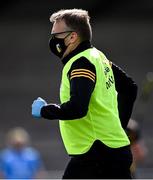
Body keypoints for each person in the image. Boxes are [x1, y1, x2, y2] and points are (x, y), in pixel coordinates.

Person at [32, 9, 138, 179]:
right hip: (112, 151)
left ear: (72, 37)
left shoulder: (81, 63)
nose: (52, 41)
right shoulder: (99, 57)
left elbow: (78, 108)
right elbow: (130, 88)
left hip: (96, 156)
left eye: (56, 35)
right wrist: (118, 128)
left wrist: (45, 110)